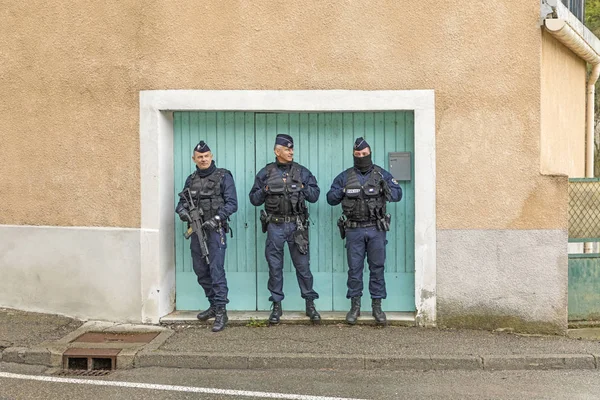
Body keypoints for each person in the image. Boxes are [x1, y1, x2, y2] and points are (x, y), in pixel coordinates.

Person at [326, 137, 402, 326]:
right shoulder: (345, 176)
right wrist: (343, 191)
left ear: (370, 153)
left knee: (377, 268)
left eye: (364, 154)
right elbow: (330, 198)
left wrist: (387, 188)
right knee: (355, 269)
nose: (361, 157)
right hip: (354, 230)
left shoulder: (382, 174)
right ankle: (355, 307)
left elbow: (397, 194)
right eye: (358, 154)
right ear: (353, 155)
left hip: (376, 229)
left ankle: (377, 306)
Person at [249, 134, 321, 324]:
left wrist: (303, 187)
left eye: (292, 149)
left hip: (297, 227)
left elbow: (315, 195)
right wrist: (265, 189)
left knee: (303, 267)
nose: (291, 152)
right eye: (287, 149)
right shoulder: (266, 173)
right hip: (275, 226)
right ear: (277, 151)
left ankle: (310, 305)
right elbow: (254, 199)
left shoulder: (302, 172)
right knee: (275, 268)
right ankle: (277, 306)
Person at [175, 141, 238, 332]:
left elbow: (232, 203)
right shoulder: (191, 179)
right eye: (200, 157)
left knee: (216, 269)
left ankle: (221, 311)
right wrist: (183, 213)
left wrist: (217, 218)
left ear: (211, 156)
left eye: (206, 156)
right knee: (200, 270)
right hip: (196, 231)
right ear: (194, 159)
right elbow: (181, 203)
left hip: (215, 231)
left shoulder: (223, 176)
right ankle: (213, 304)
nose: (203, 159)